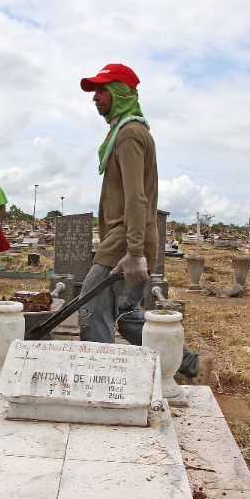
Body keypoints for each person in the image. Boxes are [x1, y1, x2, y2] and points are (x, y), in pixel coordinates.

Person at [77, 63, 211, 381]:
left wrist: (134, 252)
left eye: (101, 89)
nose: (95, 96)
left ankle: (100, 382)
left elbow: (137, 198)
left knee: (91, 310)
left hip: (125, 241)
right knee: (127, 316)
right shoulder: (129, 132)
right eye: (94, 90)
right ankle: (190, 363)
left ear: (120, 92)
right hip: (131, 238)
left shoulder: (128, 136)